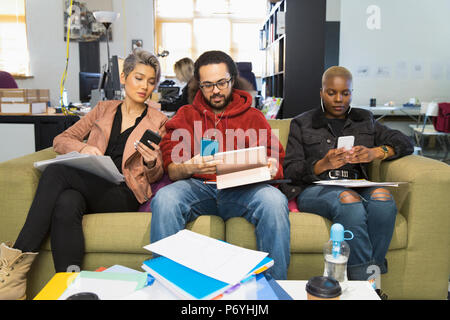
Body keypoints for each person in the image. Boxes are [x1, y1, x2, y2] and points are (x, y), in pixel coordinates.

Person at [0, 49, 167, 300]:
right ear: (124, 77)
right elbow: (61, 139)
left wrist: (153, 162)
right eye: (139, 78)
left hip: (125, 192)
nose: (145, 86)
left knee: (56, 173)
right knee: (67, 202)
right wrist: (85, 148)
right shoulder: (103, 109)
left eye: (151, 81)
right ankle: (70, 288)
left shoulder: (158, 120)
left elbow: (155, 176)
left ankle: (14, 266)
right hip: (93, 183)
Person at [150, 50, 290, 280]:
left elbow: (276, 160)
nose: (215, 90)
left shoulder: (253, 116)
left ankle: (274, 288)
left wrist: (273, 167)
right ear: (199, 85)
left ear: (232, 80)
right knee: (165, 199)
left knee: (274, 201)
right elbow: (172, 169)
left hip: (243, 191)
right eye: (207, 85)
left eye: (222, 83)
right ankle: (166, 286)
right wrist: (189, 166)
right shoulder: (185, 115)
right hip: (199, 188)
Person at [281, 66, 414, 280]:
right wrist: (322, 164)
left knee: (383, 199)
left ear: (352, 92)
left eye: (345, 93)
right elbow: (291, 169)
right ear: (322, 92)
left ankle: (368, 279)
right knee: (348, 201)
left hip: (357, 183)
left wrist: (376, 152)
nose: (338, 99)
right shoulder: (302, 123)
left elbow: (405, 142)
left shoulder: (365, 119)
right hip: (316, 189)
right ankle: (368, 283)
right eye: (331, 93)